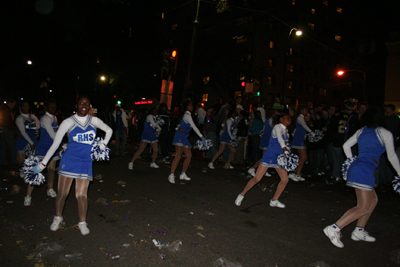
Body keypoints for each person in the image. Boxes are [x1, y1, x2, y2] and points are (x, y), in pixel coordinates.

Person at [32, 96, 112, 235]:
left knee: (81, 195)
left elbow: (109, 130)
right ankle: (57, 217)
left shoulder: (94, 120)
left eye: (86, 103)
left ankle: (82, 222)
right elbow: (56, 143)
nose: (84, 105)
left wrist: (102, 145)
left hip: (85, 162)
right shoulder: (68, 122)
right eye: (81, 103)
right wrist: (43, 163)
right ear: (77, 105)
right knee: (62, 194)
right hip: (69, 161)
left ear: (89, 106)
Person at [323, 107, 400, 248]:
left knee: (373, 200)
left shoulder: (362, 130)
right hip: (364, 170)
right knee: (363, 207)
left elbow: (346, 146)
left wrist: (352, 161)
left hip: (359, 168)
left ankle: (359, 230)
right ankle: (334, 228)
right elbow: (392, 156)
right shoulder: (385, 133)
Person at [235, 114, 292, 208]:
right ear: (281, 119)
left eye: (290, 118)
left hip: (278, 158)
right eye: (287, 117)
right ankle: (241, 194)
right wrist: (285, 150)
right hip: (270, 155)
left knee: (285, 179)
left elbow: (286, 143)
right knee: (257, 178)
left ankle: (274, 200)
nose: (289, 118)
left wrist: (287, 154)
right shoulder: (277, 127)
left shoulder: (286, 131)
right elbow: (280, 140)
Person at [168, 99, 206, 184]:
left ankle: (183, 173)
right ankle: (171, 174)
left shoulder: (188, 115)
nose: (192, 107)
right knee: (178, 155)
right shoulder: (187, 115)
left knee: (189, 156)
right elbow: (194, 127)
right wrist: (202, 137)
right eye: (190, 105)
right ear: (186, 107)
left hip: (185, 137)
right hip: (180, 136)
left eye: (192, 105)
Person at [15, 100, 40, 206]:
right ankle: (21, 169)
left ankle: (28, 193)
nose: (26, 107)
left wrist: (35, 120)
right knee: (21, 160)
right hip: (23, 140)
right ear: (21, 107)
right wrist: (30, 142)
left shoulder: (32, 117)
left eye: (27, 106)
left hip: (33, 140)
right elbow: (23, 132)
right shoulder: (19, 118)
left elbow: (38, 126)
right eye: (24, 106)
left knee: (31, 163)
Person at [35, 99, 59, 201]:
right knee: (38, 169)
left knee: (51, 170)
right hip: (44, 147)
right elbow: (53, 135)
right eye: (51, 107)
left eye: (55, 107)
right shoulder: (45, 118)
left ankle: (50, 188)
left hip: (53, 147)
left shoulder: (55, 118)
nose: (53, 109)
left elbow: (57, 132)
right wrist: (61, 144)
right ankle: (29, 193)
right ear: (46, 108)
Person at [288, 105, 314, 182]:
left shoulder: (301, 118)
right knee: (304, 157)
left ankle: (297, 173)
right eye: (305, 110)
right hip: (298, 139)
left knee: (304, 158)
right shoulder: (300, 118)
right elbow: (304, 126)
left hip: (300, 139)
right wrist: (311, 131)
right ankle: (293, 172)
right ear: (302, 111)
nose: (306, 112)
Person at [247, 111, 276, 177]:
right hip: (266, 139)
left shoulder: (266, 120)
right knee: (265, 157)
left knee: (266, 157)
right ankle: (253, 168)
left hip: (265, 139)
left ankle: (263, 170)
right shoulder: (270, 120)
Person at [0, 98, 17, 168]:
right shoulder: (6, 110)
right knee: (12, 146)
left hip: (3, 129)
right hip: (6, 129)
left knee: (3, 147)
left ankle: (2, 163)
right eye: (13, 104)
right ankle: (13, 163)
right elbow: (7, 121)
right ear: (9, 103)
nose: (13, 106)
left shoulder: (4, 109)